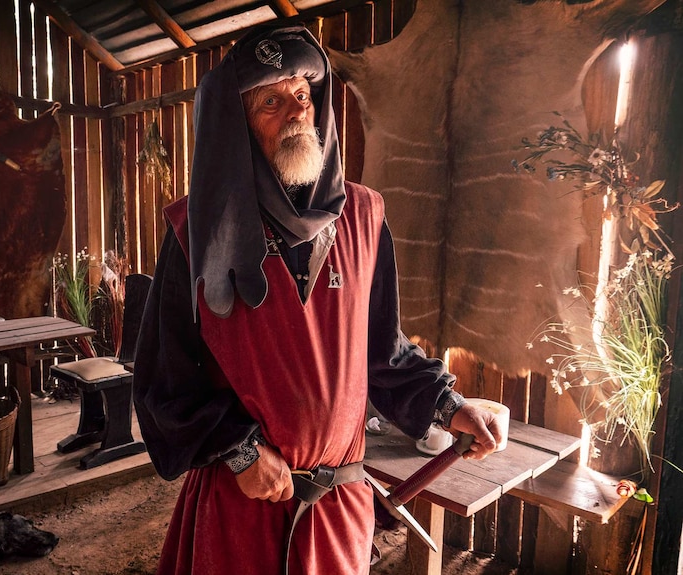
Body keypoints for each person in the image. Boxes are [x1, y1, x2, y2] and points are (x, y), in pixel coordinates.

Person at [132, 24, 505, 575]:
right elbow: (163, 380)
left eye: (302, 95)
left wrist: (449, 406)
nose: (295, 112)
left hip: (335, 509)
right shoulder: (196, 230)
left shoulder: (364, 216)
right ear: (236, 122)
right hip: (244, 502)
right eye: (270, 101)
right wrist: (237, 450)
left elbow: (381, 350)